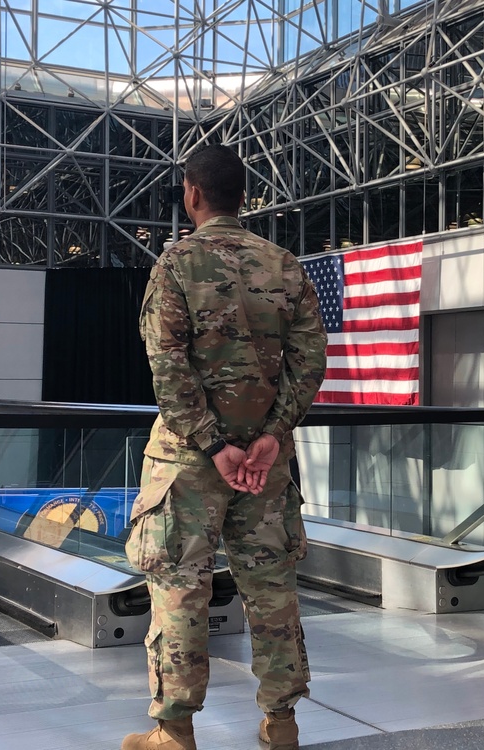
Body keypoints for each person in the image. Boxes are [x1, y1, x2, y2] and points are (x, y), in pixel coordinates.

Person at [122, 144, 328, 750]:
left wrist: (214, 446)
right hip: (266, 463)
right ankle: (282, 721)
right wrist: (271, 434)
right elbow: (310, 359)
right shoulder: (284, 265)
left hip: (189, 462)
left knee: (181, 585)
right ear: (243, 196)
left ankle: (176, 730)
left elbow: (169, 369)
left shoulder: (176, 267)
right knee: (271, 585)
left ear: (192, 194)